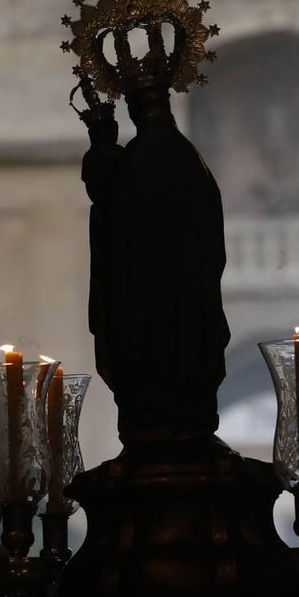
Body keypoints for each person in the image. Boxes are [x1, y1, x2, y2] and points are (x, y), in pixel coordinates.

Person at [72, 27, 230, 448]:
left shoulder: (140, 159)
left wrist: (102, 141)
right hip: (190, 307)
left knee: (155, 377)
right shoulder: (187, 157)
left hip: (145, 308)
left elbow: (107, 201)